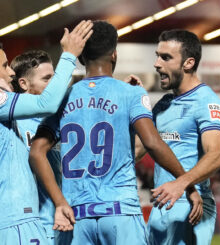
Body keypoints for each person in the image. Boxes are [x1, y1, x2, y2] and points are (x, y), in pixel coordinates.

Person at [29, 20, 202, 245]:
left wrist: (60, 202)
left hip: (76, 216)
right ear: (114, 55)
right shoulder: (129, 94)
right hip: (120, 212)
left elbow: (36, 153)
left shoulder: (61, 99)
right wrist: (188, 184)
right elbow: (152, 143)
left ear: (81, 57)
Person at [0, 20, 93, 245]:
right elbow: (48, 102)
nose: (10, 72)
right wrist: (69, 55)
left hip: (8, 216)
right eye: (4, 65)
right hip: (15, 217)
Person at [146, 29, 220, 244]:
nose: (156, 63)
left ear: (188, 63)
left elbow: (216, 154)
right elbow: (135, 149)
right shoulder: (163, 104)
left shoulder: (207, 102)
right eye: (157, 55)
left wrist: (181, 184)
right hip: (161, 203)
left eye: (165, 57)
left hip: (190, 205)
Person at [10, 49, 62, 245]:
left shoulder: (59, 121)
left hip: (62, 221)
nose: (54, 84)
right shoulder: (13, 124)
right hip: (32, 227)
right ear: (23, 83)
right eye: (46, 78)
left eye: (54, 78)